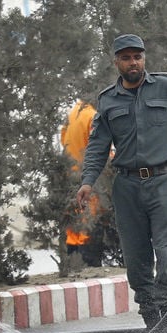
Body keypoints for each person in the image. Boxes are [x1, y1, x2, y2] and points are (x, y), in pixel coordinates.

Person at [76, 34, 167, 333]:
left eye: (137, 56)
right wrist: (88, 182)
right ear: (116, 62)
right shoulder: (109, 99)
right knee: (137, 265)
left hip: (162, 183)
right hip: (126, 188)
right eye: (126, 58)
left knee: (166, 260)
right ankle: (154, 328)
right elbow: (98, 145)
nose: (133, 62)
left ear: (144, 59)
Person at [60, 100, 108, 267]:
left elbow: (63, 139)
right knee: (90, 221)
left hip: (70, 175)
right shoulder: (93, 116)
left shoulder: (73, 113)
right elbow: (100, 148)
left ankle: (73, 263)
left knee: (73, 224)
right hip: (89, 177)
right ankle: (90, 264)